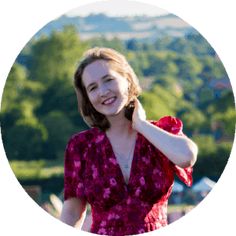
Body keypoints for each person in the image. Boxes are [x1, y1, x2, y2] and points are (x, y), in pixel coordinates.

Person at [60, 47, 198, 235]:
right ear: (88, 98)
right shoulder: (81, 147)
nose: (103, 92)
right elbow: (72, 212)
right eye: (93, 88)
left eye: (109, 80)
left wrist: (141, 124)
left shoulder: (159, 133)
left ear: (127, 79)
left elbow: (187, 157)